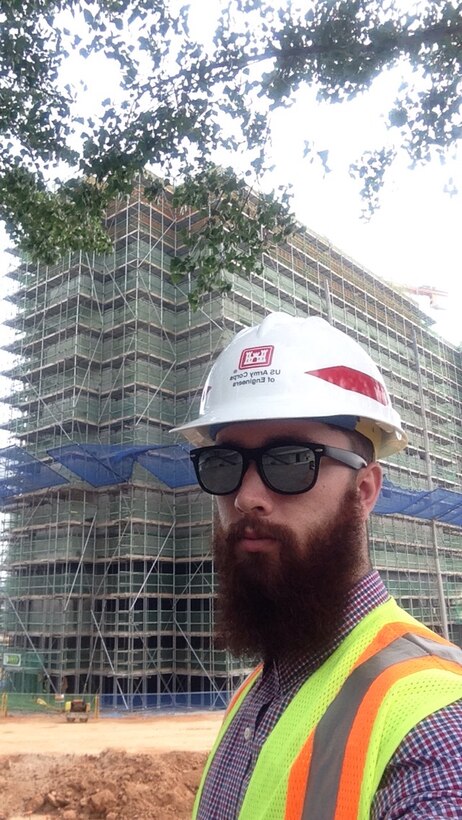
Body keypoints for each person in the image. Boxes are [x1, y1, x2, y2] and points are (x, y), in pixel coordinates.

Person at [174, 312, 462, 819]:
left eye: (290, 462)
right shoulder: (258, 690)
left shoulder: (432, 718)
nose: (246, 497)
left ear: (365, 491)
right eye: (224, 465)